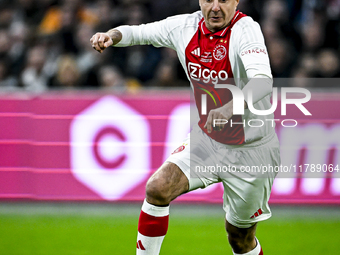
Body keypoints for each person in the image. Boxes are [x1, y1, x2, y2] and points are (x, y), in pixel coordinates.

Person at [90, 0, 280, 254]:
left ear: (236, 1)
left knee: (240, 238)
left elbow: (262, 83)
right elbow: (138, 32)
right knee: (158, 188)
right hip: (209, 140)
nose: (214, 7)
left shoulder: (246, 29)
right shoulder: (184, 27)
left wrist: (228, 108)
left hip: (252, 150)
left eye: (223, 0)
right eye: (208, 0)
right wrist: (110, 36)